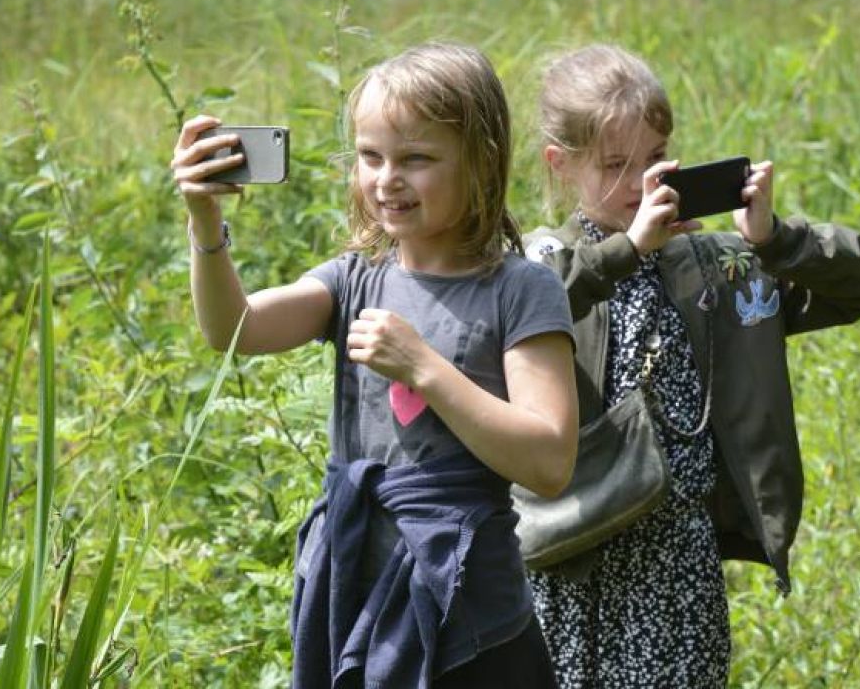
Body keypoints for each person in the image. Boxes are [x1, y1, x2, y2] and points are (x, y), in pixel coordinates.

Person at [172, 42, 578, 689]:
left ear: (481, 160)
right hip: (354, 588)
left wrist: (425, 368)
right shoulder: (352, 280)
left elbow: (548, 460)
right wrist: (204, 221)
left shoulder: (519, 290)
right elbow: (235, 328)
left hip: (472, 614)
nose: (386, 179)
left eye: (416, 159)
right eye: (370, 157)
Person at [524, 44, 860, 688]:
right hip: (576, 557)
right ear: (561, 165)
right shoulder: (544, 260)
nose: (644, 182)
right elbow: (511, 316)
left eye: (655, 159)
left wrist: (775, 240)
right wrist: (626, 250)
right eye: (617, 165)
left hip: (678, 566)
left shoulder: (717, 266)